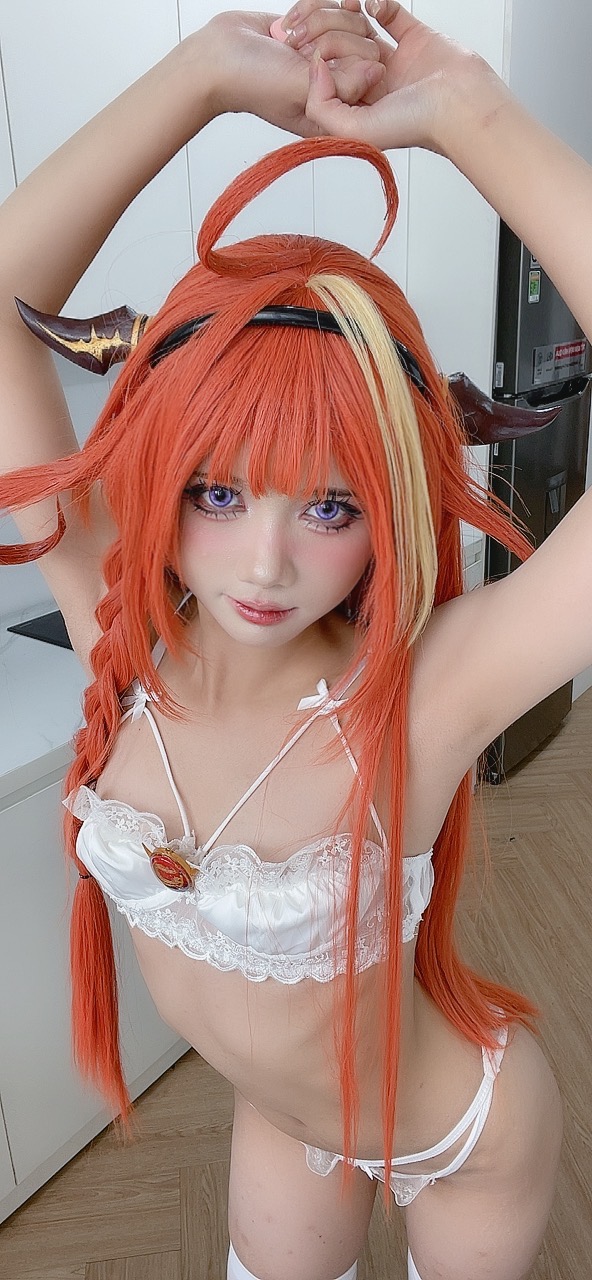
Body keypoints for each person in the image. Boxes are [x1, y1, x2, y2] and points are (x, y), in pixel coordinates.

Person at [6, 2, 592, 1276]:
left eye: (330, 507)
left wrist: (469, 113)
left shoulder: (422, 693)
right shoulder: (114, 621)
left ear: (389, 509)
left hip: (454, 1133)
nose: (265, 564)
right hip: (284, 1115)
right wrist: (204, 74)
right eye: (216, 492)